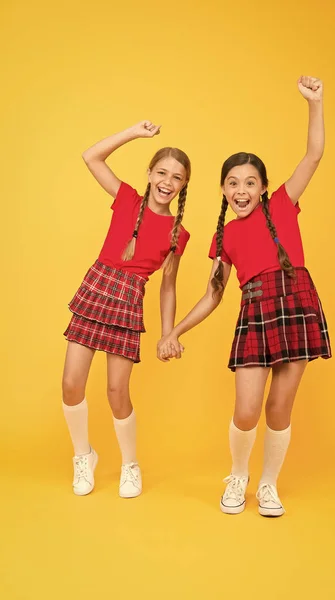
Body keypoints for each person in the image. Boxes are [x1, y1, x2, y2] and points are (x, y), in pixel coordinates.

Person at [158, 77, 331, 517]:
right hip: (254, 313)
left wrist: (315, 103)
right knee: (247, 407)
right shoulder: (224, 235)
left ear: (263, 187)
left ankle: (268, 485)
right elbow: (213, 295)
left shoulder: (283, 205)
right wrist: (174, 330)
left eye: (250, 183)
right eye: (233, 183)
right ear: (222, 189)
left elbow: (313, 155)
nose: (241, 191)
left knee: (278, 406)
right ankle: (238, 475)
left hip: (294, 305)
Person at [62, 121, 191, 498]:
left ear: (184, 186)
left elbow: (168, 287)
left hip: (129, 299)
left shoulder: (178, 234)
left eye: (177, 177)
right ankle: (83, 456)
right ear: (150, 174)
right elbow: (92, 156)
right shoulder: (128, 200)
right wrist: (134, 133)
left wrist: (169, 333)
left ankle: (130, 464)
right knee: (71, 384)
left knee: (117, 390)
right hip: (98, 286)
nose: (168, 182)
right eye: (162, 172)